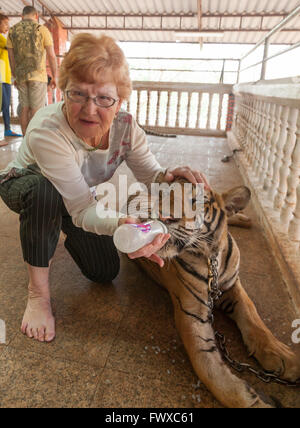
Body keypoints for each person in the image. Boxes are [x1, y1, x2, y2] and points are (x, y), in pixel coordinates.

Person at [0, 33, 208, 344]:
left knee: (105, 272)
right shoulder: (47, 131)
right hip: (25, 183)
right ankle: (38, 295)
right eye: (78, 94)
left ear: (120, 100)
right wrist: (117, 221)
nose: (90, 110)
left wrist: (167, 175)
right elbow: (84, 208)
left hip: (76, 195)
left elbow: (150, 173)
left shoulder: (126, 128)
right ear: (61, 91)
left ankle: (59, 230)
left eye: (104, 98)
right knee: (45, 192)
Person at [6, 6, 57, 135]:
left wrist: (15, 75)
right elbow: (51, 55)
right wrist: (55, 76)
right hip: (38, 75)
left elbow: (11, 57)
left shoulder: (12, 31)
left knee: (24, 108)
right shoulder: (42, 29)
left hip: (21, 76)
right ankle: (33, 141)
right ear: (36, 16)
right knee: (36, 109)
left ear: (21, 16)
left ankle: (25, 140)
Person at [0, 14, 22, 138]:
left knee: (6, 104)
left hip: (6, 77)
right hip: (0, 78)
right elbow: (11, 47)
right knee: (2, 104)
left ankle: (7, 129)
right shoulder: (0, 38)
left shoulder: (3, 37)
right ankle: (7, 129)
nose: (7, 26)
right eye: (5, 24)